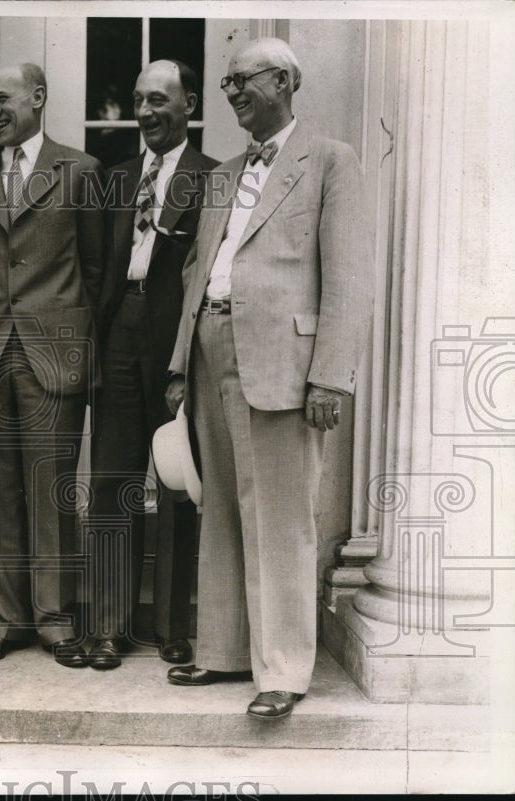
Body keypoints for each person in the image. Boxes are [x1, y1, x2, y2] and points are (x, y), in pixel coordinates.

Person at [164, 38, 371, 719]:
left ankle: (282, 669)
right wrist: (177, 366)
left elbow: (347, 279)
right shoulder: (223, 175)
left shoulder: (331, 161)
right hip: (211, 350)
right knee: (220, 506)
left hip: (285, 363)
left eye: (241, 81)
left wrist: (329, 377)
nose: (230, 95)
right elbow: (199, 274)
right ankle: (224, 651)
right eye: (226, 85)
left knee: (281, 519)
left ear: (283, 80)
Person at [0, 62, 104, 668]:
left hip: (52, 355)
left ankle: (55, 620)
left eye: (3, 98)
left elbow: (95, 273)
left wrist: (78, 351)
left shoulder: (82, 171)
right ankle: (5, 618)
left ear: (38, 98)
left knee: (51, 490)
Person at [88, 60, 219, 671]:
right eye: (138, 100)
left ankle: (175, 627)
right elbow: (97, 273)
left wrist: (187, 361)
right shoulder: (117, 179)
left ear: (188, 104)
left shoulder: (214, 178)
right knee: (112, 481)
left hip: (175, 342)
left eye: (158, 100)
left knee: (174, 481)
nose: (144, 112)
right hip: (120, 334)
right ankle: (110, 627)